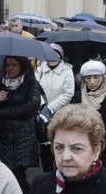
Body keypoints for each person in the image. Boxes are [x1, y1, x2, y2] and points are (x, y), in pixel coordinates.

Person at [0, 55, 41, 194]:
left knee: (18, 174)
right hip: (4, 136)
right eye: (7, 65)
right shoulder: (0, 83)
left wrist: (4, 111)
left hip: (23, 136)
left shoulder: (31, 82)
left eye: (14, 65)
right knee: (6, 173)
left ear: (21, 66)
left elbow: (31, 106)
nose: (10, 68)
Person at [71, 61, 106, 173]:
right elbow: (71, 120)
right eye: (88, 78)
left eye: (96, 77)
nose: (92, 82)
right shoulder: (78, 96)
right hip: (83, 146)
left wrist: (100, 137)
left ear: (103, 77)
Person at [35, 43, 75, 172]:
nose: (52, 57)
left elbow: (68, 93)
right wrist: (42, 107)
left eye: (55, 54)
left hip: (60, 115)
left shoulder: (67, 70)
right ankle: (47, 176)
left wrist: (51, 108)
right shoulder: (40, 70)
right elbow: (35, 89)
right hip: (42, 113)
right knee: (45, 148)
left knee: (59, 146)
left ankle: (61, 174)